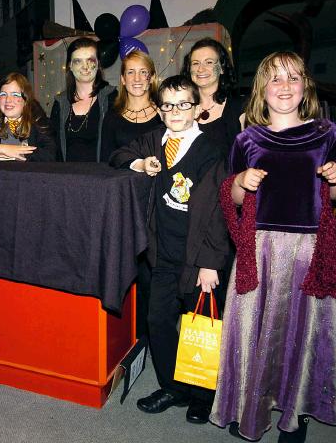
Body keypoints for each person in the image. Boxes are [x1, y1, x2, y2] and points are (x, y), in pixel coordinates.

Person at [210, 52, 336, 443]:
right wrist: (242, 180)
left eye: (293, 77)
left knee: (301, 334)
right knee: (257, 333)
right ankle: (250, 407)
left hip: (310, 252)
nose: (285, 86)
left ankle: (296, 411)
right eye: (275, 79)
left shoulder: (325, 134)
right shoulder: (247, 138)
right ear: (262, 89)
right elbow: (232, 197)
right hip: (259, 251)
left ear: (306, 85)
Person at [110, 75, 228, 424]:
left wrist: (210, 263)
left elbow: (220, 213)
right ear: (159, 110)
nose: (175, 111)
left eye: (183, 104)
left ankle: (203, 396)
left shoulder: (210, 150)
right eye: (167, 105)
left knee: (200, 327)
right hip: (162, 255)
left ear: (196, 108)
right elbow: (119, 154)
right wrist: (140, 164)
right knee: (157, 321)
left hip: (197, 258)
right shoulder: (152, 141)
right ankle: (174, 386)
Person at [100, 50, 164, 337]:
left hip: (159, 203)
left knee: (155, 271)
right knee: (128, 269)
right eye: (130, 73)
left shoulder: (166, 113)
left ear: (151, 77)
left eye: (143, 72)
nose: (137, 78)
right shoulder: (112, 118)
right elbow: (105, 161)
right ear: (123, 80)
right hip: (125, 205)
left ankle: (153, 334)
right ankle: (131, 336)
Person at [50, 37, 116, 162]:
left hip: (102, 178)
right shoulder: (60, 103)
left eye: (90, 61)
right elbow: (53, 148)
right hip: (67, 178)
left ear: (98, 64)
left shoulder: (112, 98)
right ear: (69, 66)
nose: (85, 67)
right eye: (78, 61)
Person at [181, 37, 242, 158]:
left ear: (222, 68)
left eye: (209, 62)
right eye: (195, 63)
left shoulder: (240, 108)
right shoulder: (180, 109)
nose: (200, 69)